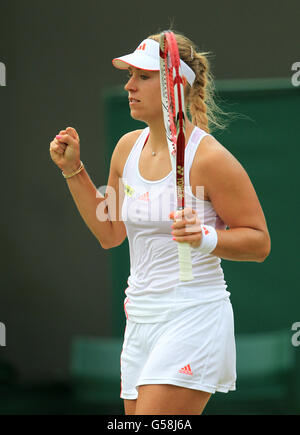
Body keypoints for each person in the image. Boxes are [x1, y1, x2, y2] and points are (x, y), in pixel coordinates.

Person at [49, 31, 271, 415]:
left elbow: (259, 242)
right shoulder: (125, 148)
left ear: (174, 83)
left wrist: (204, 237)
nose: (129, 86)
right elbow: (109, 232)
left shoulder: (210, 159)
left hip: (193, 317)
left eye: (143, 76)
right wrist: (74, 171)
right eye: (130, 75)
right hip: (140, 321)